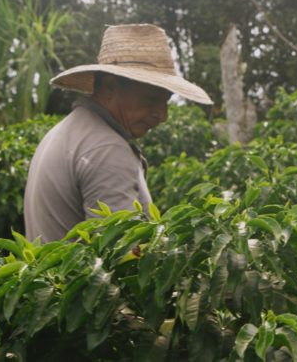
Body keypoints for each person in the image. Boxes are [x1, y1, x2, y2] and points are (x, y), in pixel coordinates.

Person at [24, 24, 213, 242]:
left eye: (165, 102)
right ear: (111, 87)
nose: (162, 116)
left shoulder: (68, 131)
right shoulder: (107, 149)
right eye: (151, 100)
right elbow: (122, 260)